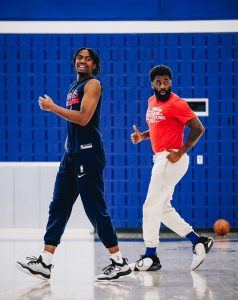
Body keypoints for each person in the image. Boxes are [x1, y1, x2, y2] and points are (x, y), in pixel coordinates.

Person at [16, 48, 131, 281]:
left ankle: (119, 262)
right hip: (72, 155)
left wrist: (53, 108)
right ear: (74, 62)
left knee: (94, 209)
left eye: (88, 59)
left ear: (95, 66)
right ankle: (45, 262)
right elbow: (75, 124)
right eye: (80, 58)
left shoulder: (93, 85)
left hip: (88, 153)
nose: (83, 61)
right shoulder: (73, 87)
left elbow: (83, 118)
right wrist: (70, 144)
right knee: (58, 206)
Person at [130, 65, 213, 271]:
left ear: (171, 82)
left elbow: (198, 128)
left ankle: (151, 256)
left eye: (166, 81)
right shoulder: (151, 101)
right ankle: (198, 241)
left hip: (171, 157)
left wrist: (181, 151)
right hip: (161, 158)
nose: (163, 85)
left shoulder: (177, 103)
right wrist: (143, 136)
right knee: (163, 209)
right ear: (152, 84)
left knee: (150, 206)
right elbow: (159, 126)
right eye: (158, 82)